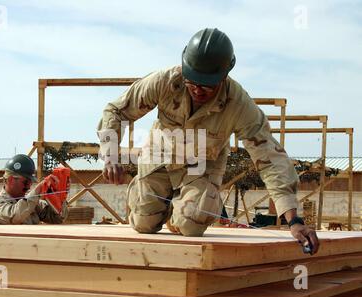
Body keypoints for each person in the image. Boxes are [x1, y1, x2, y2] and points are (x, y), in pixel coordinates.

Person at [97, 28, 319, 254]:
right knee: (143, 225)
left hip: (201, 168)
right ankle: (154, 203)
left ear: (224, 76)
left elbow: (269, 158)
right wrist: (110, 155)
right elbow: (116, 110)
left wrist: (294, 220)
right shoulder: (164, 81)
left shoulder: (239, 105)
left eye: (207, 85)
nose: (197, 90)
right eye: (191, 81)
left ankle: (180, 213)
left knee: (189, 225)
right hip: (159, 158)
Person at [0, 154, 68, 225]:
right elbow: (16, 215)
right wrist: (38, 189)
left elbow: (57, 219)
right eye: (26, 182)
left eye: (30, 183)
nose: (28, 187)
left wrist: (60, 196)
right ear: (10, 180)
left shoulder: (34, 204)